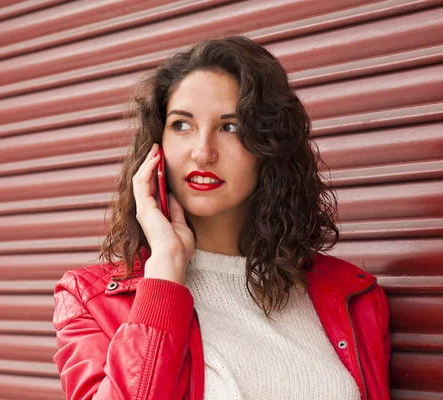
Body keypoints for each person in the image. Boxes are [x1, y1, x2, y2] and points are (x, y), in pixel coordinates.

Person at [52, 35, 391, 399]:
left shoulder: (354, 296)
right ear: (156, 146)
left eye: (230, 127)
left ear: (269, 148)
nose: (202, 152)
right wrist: (165, 274)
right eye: (182, 125)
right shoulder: (92, 300)